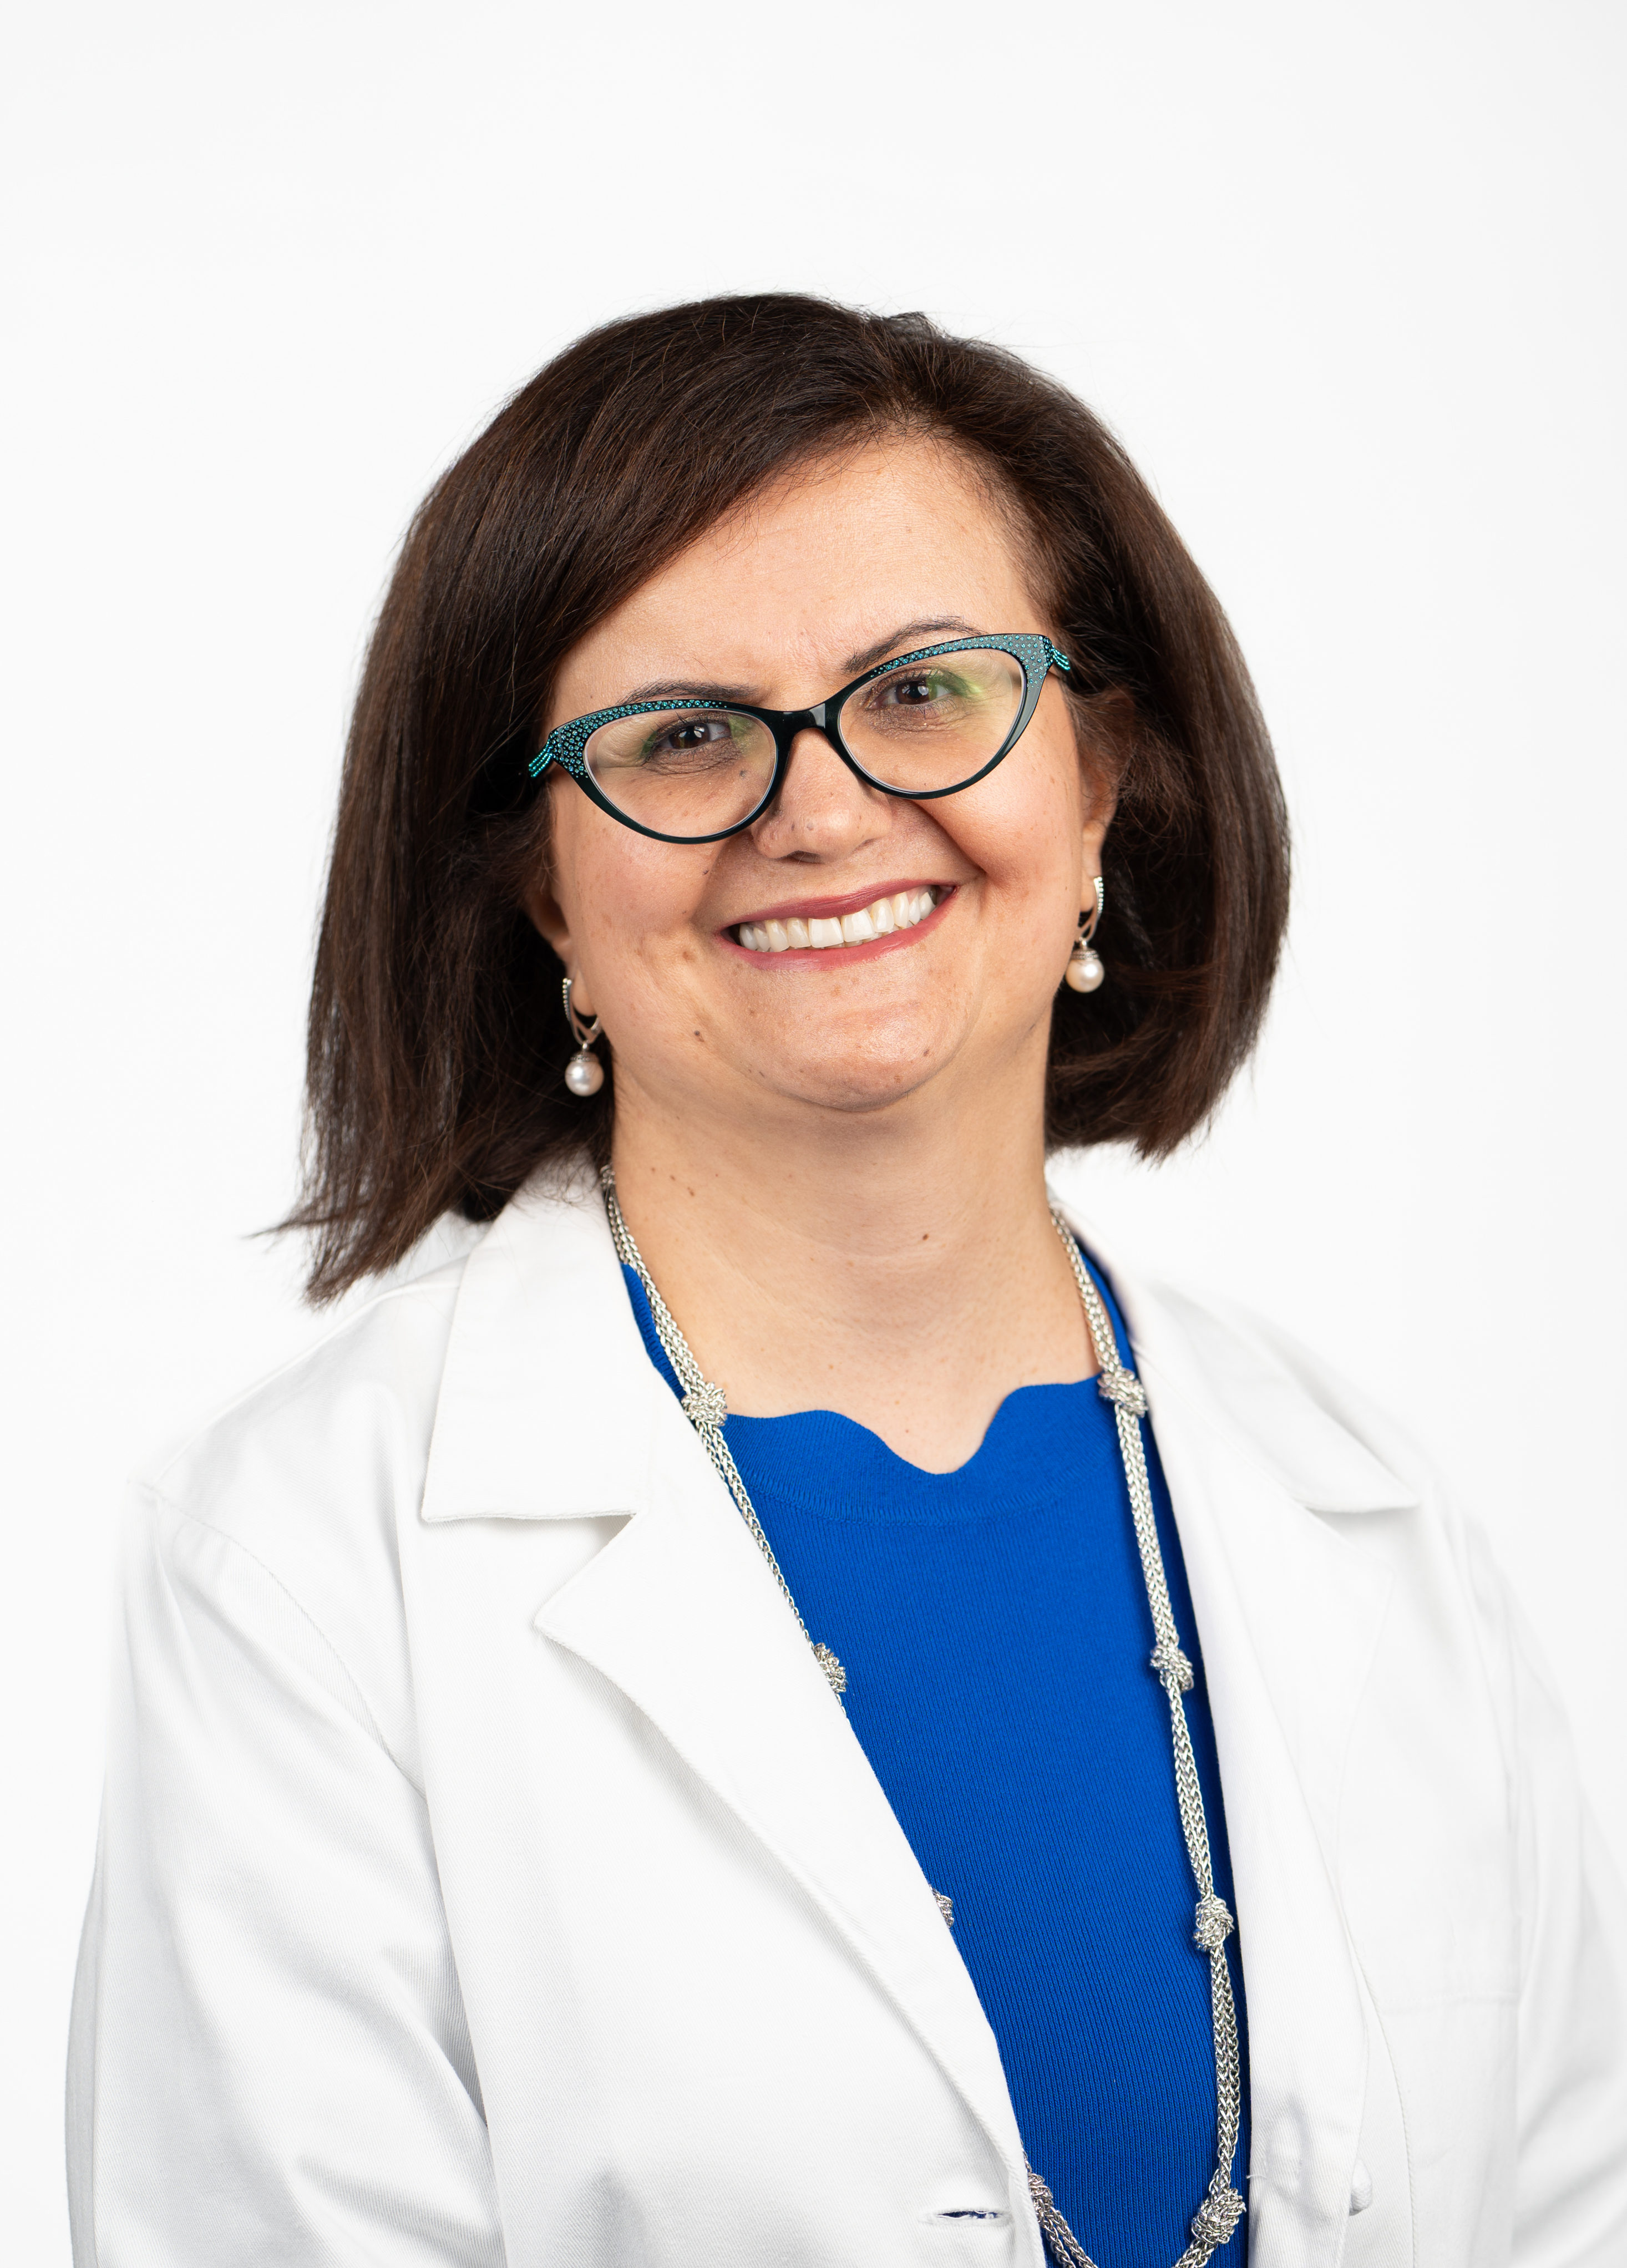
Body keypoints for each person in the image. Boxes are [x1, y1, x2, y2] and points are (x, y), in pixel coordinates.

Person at [67, 295, 1626, 2268]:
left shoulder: (1374, 1524)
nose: (820, 807)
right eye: (684, 735)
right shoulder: (297, 1566)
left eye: (921, 692)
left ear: (1103, 781)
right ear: (546, 879)